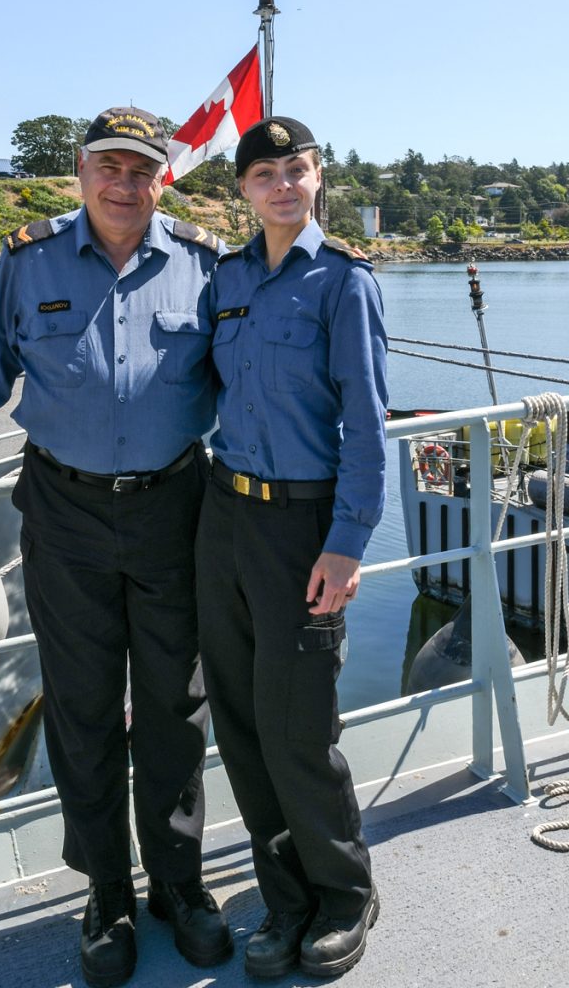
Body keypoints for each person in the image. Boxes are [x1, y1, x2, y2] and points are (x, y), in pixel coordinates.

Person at [0, 107, 232, 988]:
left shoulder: (204, 266)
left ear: (161, 180)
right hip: (64, 514)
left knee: (177, 705)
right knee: (82, 709)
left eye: (141, 170)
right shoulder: (28, 263)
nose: (124, 184)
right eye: (108, 166)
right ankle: (106, 891)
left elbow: (250, 381)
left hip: (174, 509)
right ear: (80, 173)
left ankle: (178, 885)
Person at [195, 116, 387, 979]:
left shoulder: (345, 283)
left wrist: (345, 545)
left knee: (299, 725)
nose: (281, 184)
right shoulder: (227, 280)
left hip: (303, 528)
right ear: (242, 188)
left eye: (296, 170)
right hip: (224, 517)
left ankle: (345, 895)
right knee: (238, 721)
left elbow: (367, 424)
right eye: (263, 172)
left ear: (318, 180)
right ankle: (284, 902)